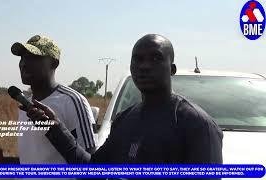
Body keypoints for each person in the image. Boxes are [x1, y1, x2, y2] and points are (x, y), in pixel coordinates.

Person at [27, 34, 223, 179]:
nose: (144, 66)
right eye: (137, 59)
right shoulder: (125, 119)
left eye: (155, 58)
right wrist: (55, 128)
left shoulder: (196, 124)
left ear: (172, 69)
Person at [0, 35, 97, 165]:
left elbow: (91, 164)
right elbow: (34, 162)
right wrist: (3, 161)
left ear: (54, 63)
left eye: (33, 57)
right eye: (22, 58)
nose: (24, 64)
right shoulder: (25, 107)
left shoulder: (72, 101)